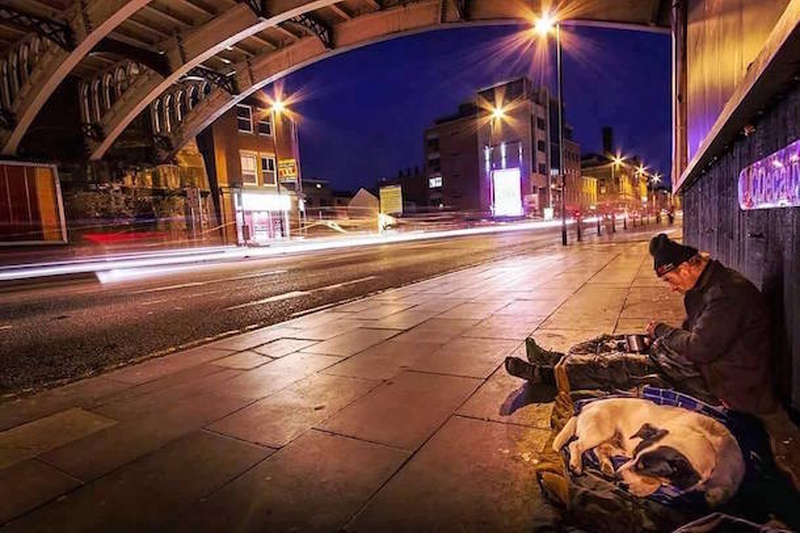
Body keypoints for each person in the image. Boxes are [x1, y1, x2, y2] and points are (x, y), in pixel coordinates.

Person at [504, 233, 799, 488]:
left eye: (670, 279)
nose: (671, 287)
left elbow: (698, 348)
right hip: (710, 368)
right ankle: (558, 361)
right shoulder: (707, 288)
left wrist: (661, 332)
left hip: (723, 385)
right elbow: (694, 336)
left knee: (627, 368)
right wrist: (661, 339)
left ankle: (548, 373)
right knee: (625, 346)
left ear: (686, 268)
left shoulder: (726, 295)